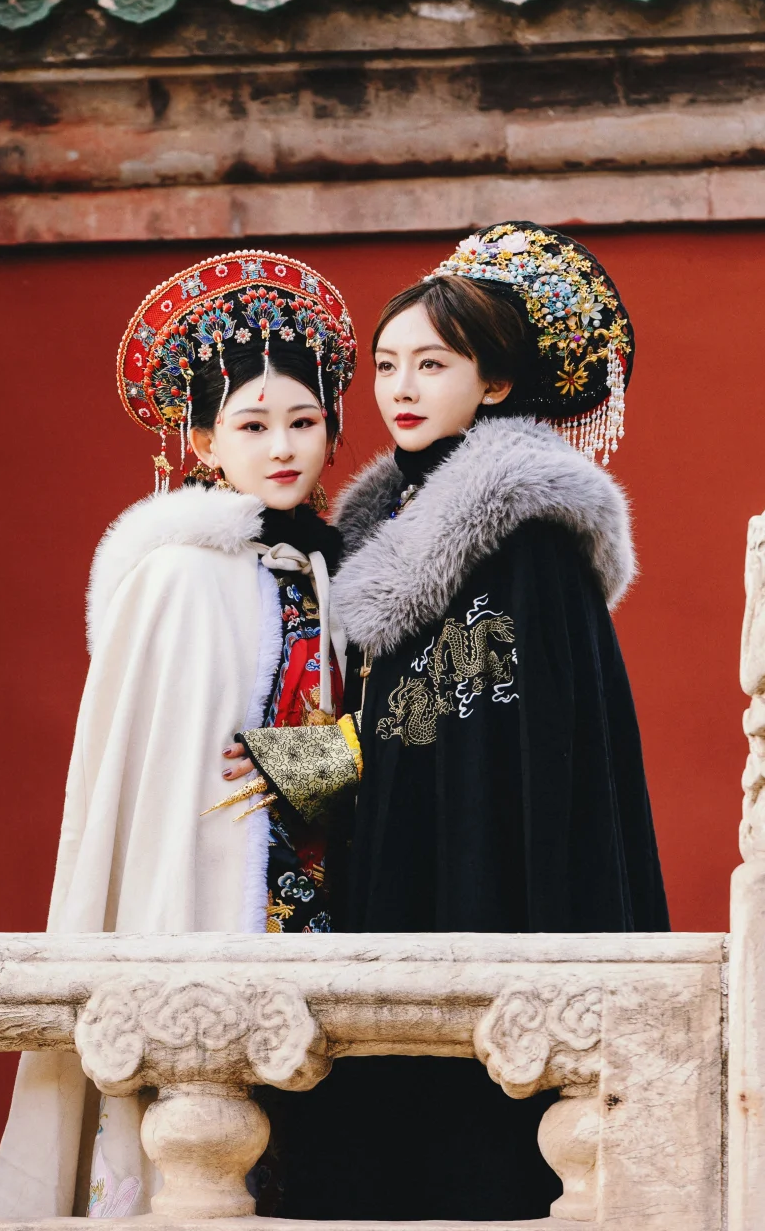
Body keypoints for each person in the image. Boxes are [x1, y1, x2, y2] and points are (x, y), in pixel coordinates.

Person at [241, 221, 668, 1220]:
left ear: (497, 382)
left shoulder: (527, 543)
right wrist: (282, 766)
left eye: (433, 364)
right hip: (394, 888)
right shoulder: (378, 540)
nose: (401, 387)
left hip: (498, 889)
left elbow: (510, 755)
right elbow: (391, 737)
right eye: (387, 364)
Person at [0, 251, 357, 1219]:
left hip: (314, 912)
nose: (284, 447)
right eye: (253, 425)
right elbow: (172, 784)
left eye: (304, 422)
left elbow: (334, 749)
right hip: (206, 898)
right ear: (202, 441)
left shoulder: (322, 572)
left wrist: (314, 763)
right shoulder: (179, 576)